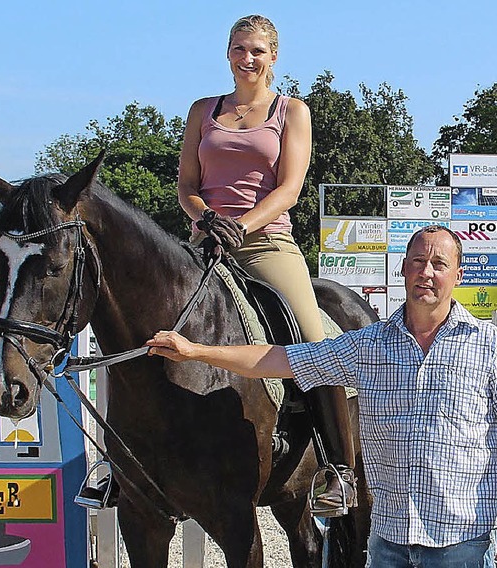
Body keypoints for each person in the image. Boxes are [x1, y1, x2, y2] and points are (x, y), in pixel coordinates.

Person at [146, 225, 497, 568]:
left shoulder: (490, 347)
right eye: (419, 262)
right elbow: (281, 358)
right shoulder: (369, 344)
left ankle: (337, 471)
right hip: (388, 545)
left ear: (458, 276)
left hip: (461, 546)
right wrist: (196, 351)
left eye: (439, 264)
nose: (427, 272)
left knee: (307, 320)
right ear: (403, 269)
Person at [175, 14, 355, 517]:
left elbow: (289, 189)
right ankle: (127, 465)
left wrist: (243, 225)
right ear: (227, 53)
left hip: (267, 243)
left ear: (273, 55)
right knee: (152, 320)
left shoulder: (291, 111)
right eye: (238, 49)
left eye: (256, 50)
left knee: (316, 343)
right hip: (205, 242)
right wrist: (208, 219)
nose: (246, 59)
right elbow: (187, 186)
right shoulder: (202, 111)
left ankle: (339, 469)